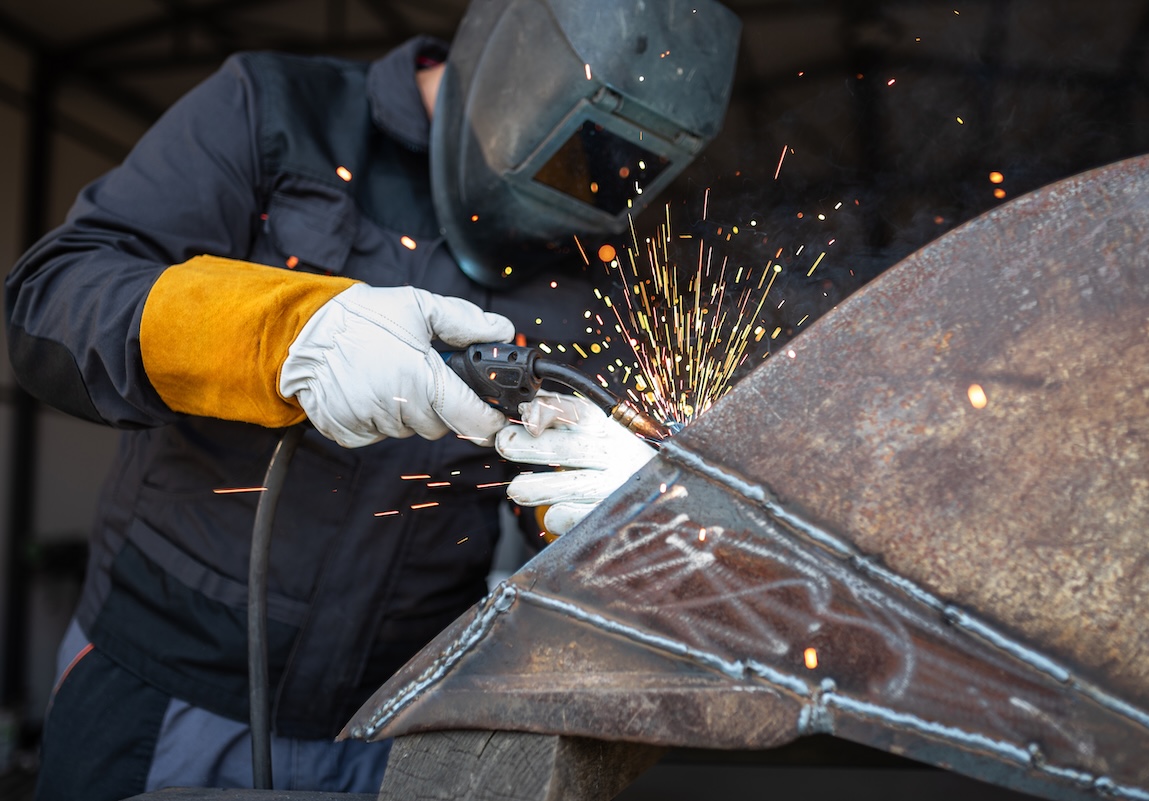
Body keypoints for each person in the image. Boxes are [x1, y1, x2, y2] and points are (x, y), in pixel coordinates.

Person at [4, 0, 739, 798]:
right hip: (161, 694)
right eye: (576, 151)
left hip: (396, 728)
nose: (590, 184)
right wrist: (284, 334)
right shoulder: (275, 110)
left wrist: (599, 518)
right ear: (515, 64)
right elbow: (52, 300)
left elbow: (542, 514)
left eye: (620, 168)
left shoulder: (592, 256)